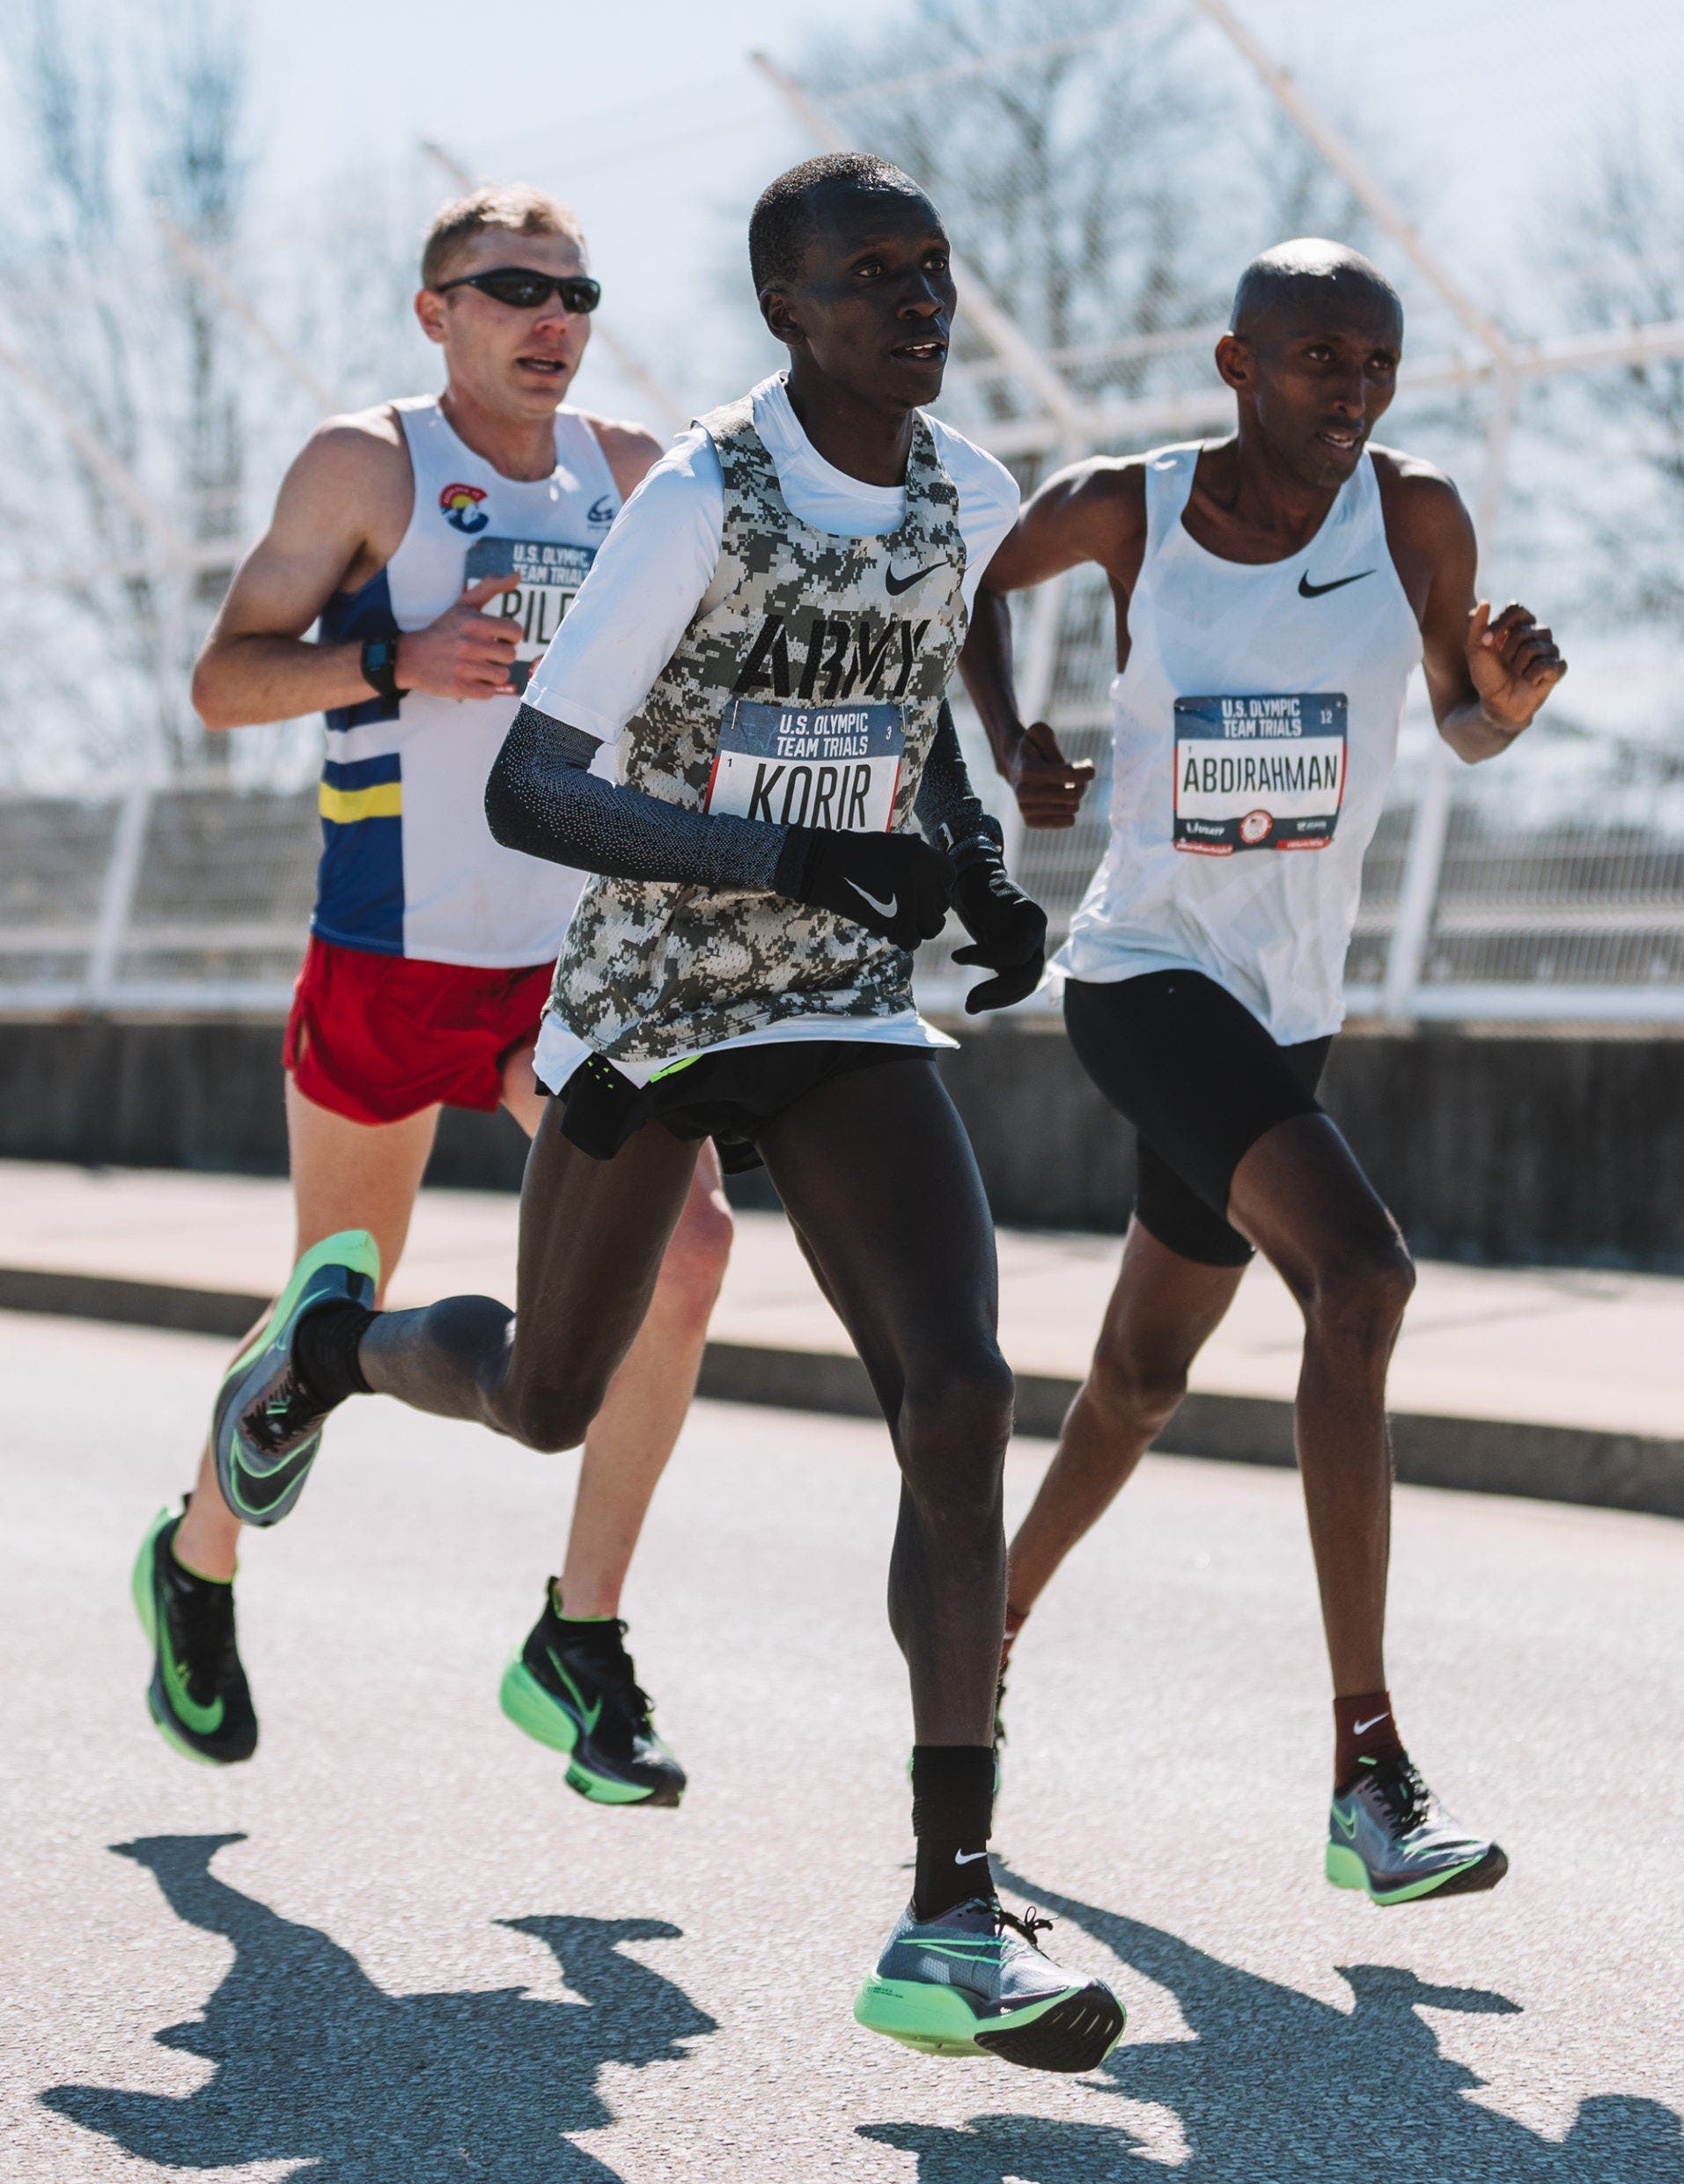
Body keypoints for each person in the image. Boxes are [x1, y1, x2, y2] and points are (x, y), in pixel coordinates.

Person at [199, 152, 1127, 2074]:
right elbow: (537, 788)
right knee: (546, 1394)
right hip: (657, 1012)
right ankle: (334, 1349)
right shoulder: (699, 495)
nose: (920, 300)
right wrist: (791, 854)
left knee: (959, 1389)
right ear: (789, 310)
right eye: (873, 274)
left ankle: (949, 1912)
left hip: (842, 1006)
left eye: (935, 268)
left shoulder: (964, 492)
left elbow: (914, 737)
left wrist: (977, 871)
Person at [960, 239, 1566, 1907]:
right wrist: (1009, 744)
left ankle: (978, 1630)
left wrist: (1501, 710)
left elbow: (1455, 717)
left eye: (1376, 363)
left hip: (1287, 1001)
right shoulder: (1128, 506)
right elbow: (964, 582)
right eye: (1318, 359)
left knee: (1139, 1379)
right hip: (1144, 972)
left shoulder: (1414, 515)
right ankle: (1368, 1771)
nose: (1351, 391)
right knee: (1360, 1280)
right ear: (1236, 363)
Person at [133, 184, 733, 1812]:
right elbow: (221, 681)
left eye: (576, 293)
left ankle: (578, 1639)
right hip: (393, 952)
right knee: (333, 1293)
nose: (552, 320)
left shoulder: (635, 472)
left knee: (686, 1254)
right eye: (514, 289)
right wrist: (388, 662)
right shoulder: (367, 465)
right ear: (436, 312)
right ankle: (197, 1560)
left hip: (570, 969)